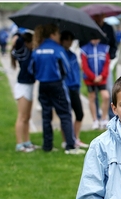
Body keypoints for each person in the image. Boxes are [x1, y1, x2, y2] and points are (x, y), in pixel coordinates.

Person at [28, 24, 85, 155]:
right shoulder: (58, 49)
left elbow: (31, 69)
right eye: (58, 34)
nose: (59, 36)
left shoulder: (37, 50)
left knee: (46, 116)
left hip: (42, 85)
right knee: (65, 114)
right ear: (52, 34)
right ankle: (70, 146)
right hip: (57, 85)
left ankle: (47, 146)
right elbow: (66, 68)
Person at [10, 31, 39, 152]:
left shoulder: (30, 52)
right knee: (21, 116)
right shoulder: (22, 51)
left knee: (27, 116)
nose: (34, 44)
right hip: (22, 86)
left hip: (29, 85)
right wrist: (18, 34)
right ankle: (19, 144)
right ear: (27, 42)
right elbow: (18, 40)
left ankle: (27, 142)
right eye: (32, 42)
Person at [60, 30, 89, 149]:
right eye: (68, 39)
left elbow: (76, 70)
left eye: (71, 39)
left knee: (79, 114)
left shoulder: (72, 54)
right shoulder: (60, 54)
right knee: (66, 115)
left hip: (74, 87)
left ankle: (75, 138)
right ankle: (66, 140)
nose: (70, 42)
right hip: (65, 88)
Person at [91, 14, 117, 120]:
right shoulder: (91, 27)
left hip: (105, 62)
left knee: (109, 91)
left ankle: (111, 115)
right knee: (94, 94)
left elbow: (113, 44)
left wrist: (110, 56)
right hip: (93, 65)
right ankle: (96, 117)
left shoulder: (108, 28)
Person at [80, 38, 110, 130]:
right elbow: (84, 66)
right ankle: (95, 120)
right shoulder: (85, 49)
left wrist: (102, 76)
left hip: (101, 78)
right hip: (90, 79)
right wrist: (93, 77)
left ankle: (104, 119)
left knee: (106, 96)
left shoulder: (104, 48)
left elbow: (106, 64)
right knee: (92, 97)